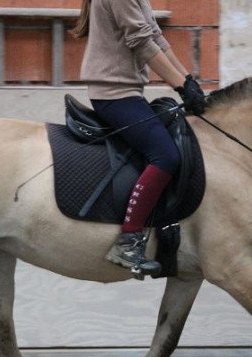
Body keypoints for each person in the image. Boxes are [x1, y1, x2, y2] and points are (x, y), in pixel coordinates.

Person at [71, 0, 206, 277]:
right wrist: (179, 86)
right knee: (165, 155)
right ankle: (128, 240)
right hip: (113, 93)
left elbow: (156, 37)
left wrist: (189, 81)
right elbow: (142, 42)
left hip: (127, 90)